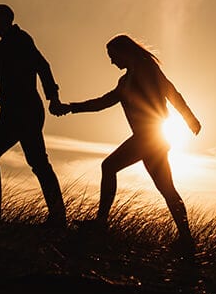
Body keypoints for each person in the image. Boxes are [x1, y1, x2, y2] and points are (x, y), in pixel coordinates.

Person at [51, 33, 200, 245]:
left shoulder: (147, 68)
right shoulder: (124, 81)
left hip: (151, 136)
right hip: (148, 139)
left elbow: (171, 92)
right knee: (166, 188)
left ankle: (101, 223)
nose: (111, 61)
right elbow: (102, 102)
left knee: (109, 166)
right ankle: (186, 238)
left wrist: (190, 118)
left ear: (124, 52)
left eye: (113, 55)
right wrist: (71, 108)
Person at [0, 4, 67, 228]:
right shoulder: (10, 41)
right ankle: (56, 215)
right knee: (36, 162)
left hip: (23, 111)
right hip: (13, 111)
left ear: (2, 20)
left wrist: (53, 97)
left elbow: (42, 66)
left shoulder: (20, 39)